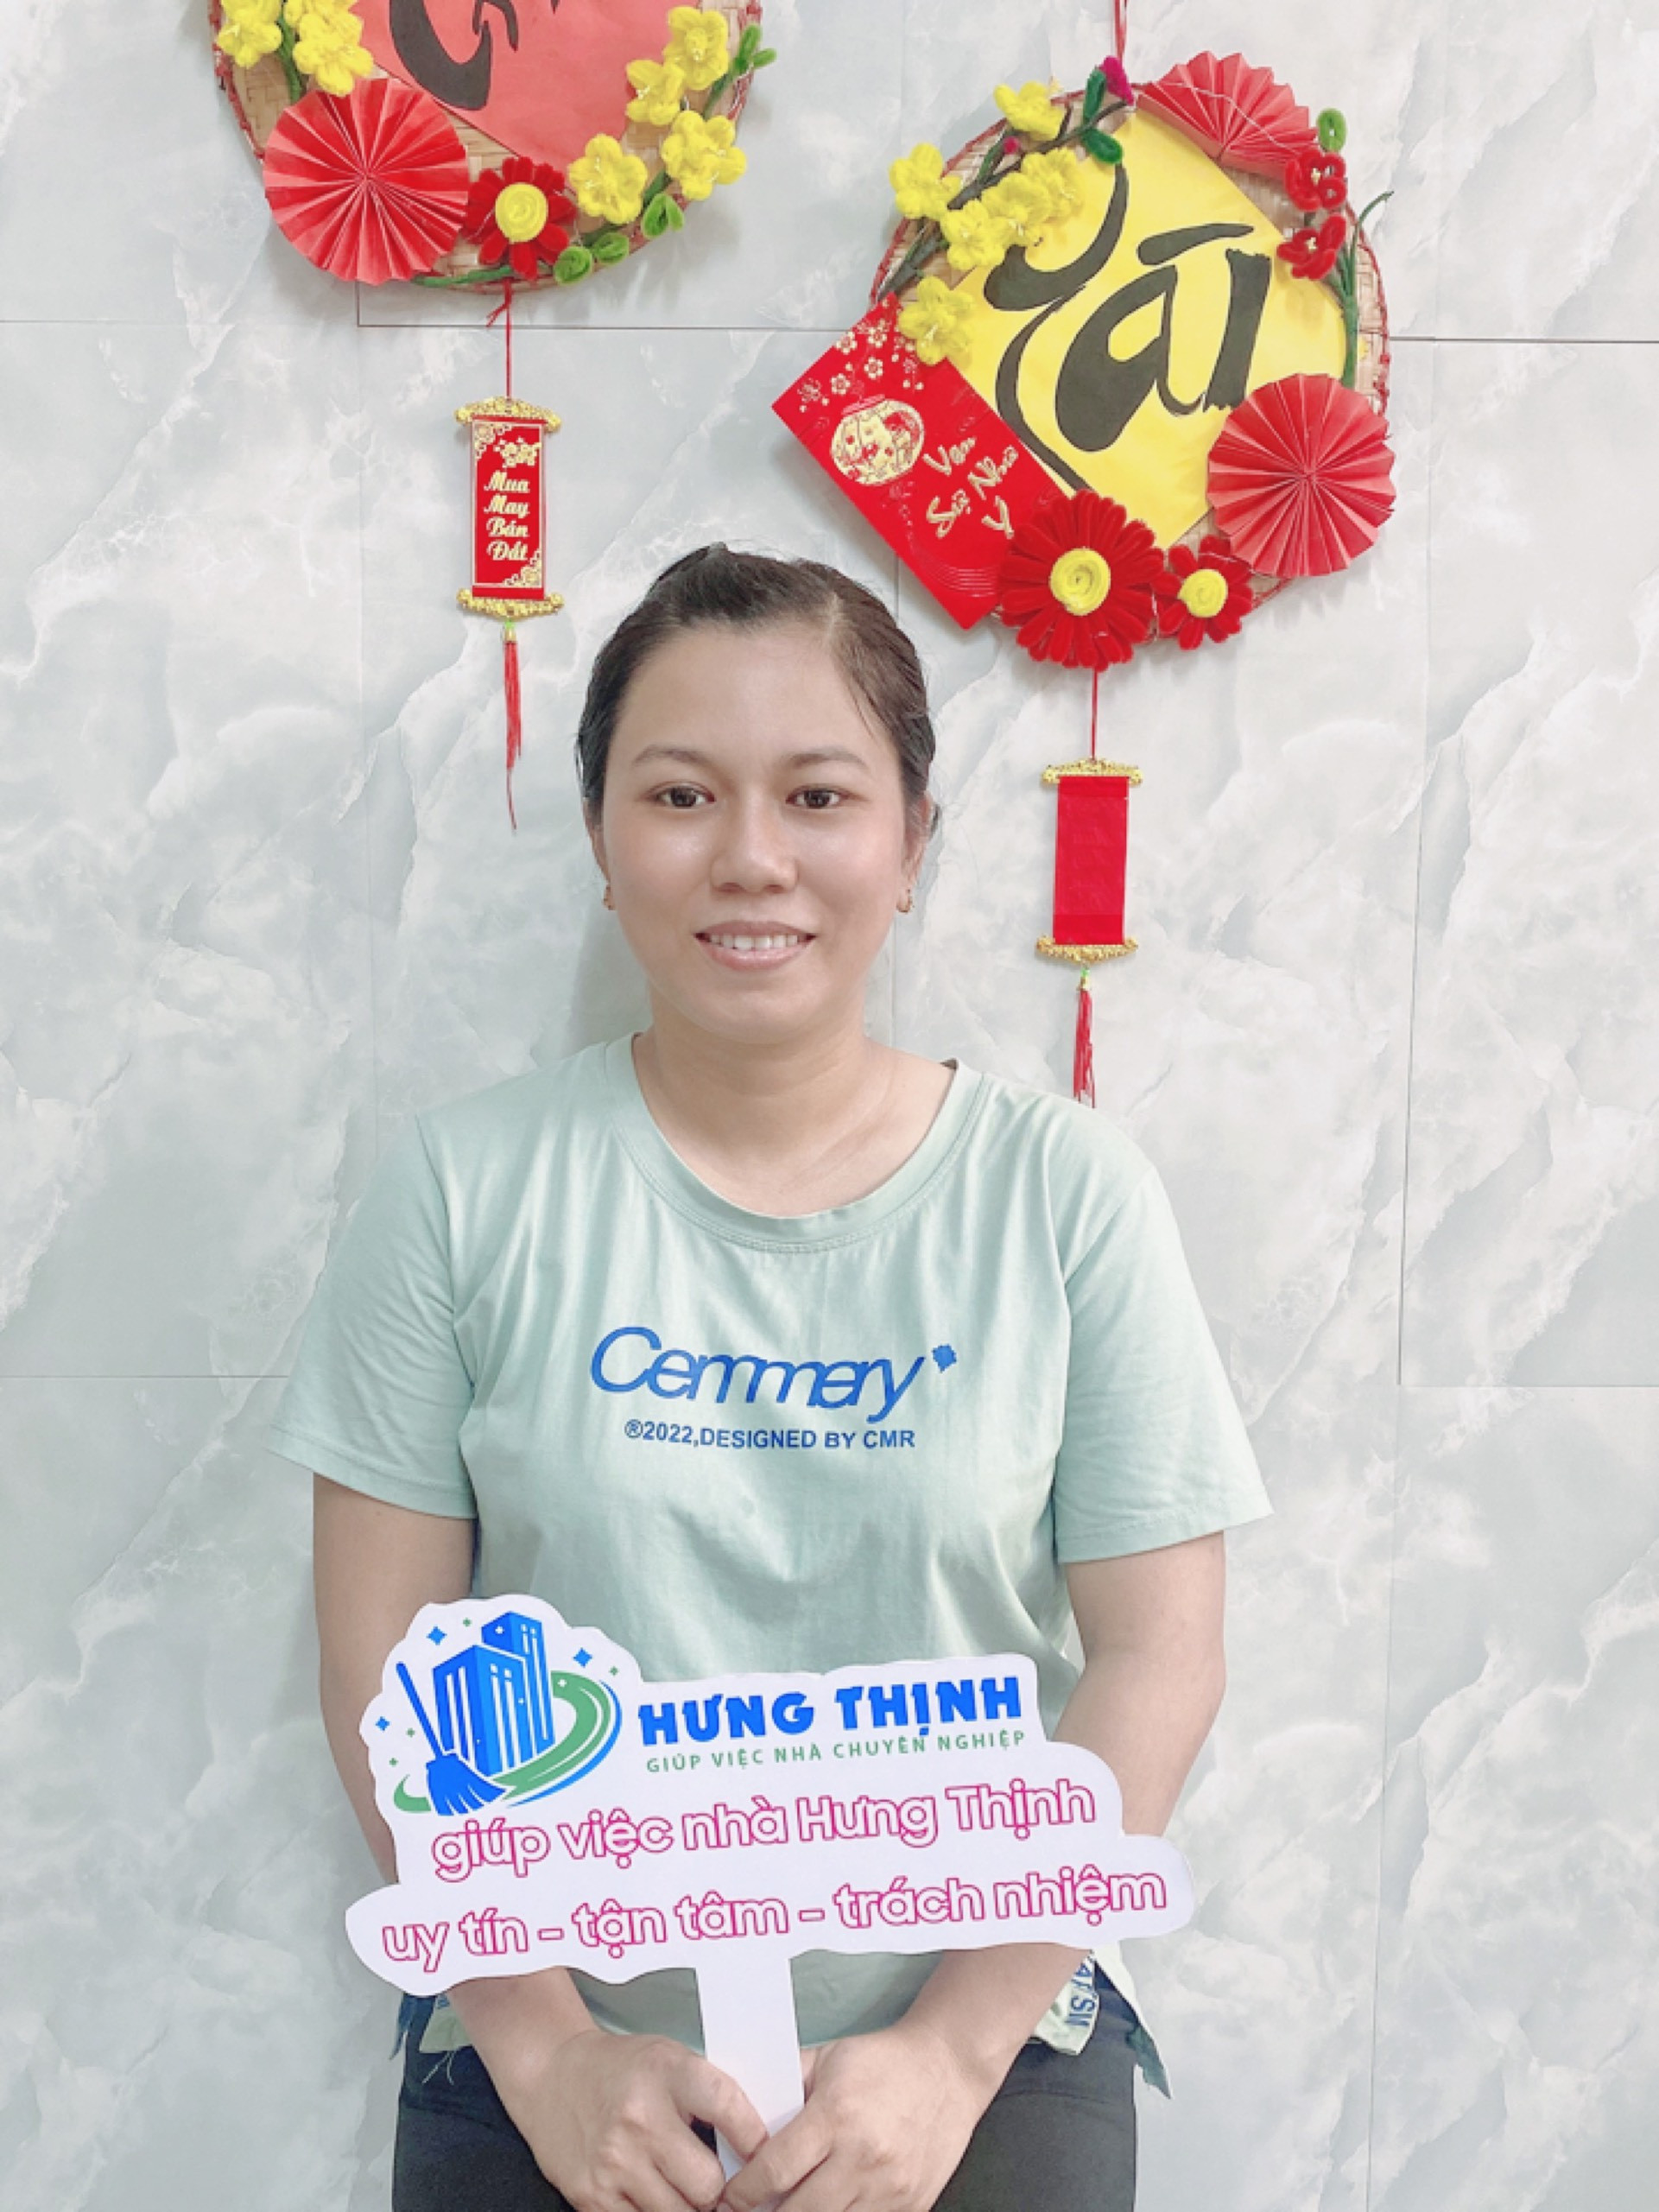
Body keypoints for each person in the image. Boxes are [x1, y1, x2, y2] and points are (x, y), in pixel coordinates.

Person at [269, 545, 1271, 2212]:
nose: (750, 857)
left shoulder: (1064, 1195)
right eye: (680, 795)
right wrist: (545, 2050)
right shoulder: (458, 1191)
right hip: (552, 2050)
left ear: (911, 840)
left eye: (818, 795)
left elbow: (1158, 1654)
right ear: (602, 839)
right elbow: (381, 1666)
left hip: (979, 2040)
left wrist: (950, 2053)